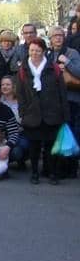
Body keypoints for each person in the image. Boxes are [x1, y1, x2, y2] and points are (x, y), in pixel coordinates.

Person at [17, 37, 69, 185]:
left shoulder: (54, 68)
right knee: (34, 146)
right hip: (32, 115)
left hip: (52, 114)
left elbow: (62, 93)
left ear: (44, 51)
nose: (34, 53)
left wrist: (65, 115)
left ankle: (52, 172)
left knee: (51, 147)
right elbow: (20, 94)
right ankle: (34, 173)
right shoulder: (23, 70)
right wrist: (23, 112)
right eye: (32, 50)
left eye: (38, 50)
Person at [47, 25, 80, 177]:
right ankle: (57, 167)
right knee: (57, 134)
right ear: (50, 39)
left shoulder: (71, 53)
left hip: (71, 99)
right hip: (54, 101)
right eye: (55, 36)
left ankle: (71, 168)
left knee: (71, 133)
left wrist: (66, 62)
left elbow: (79, 71)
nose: (58, 38)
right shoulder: (47, 54)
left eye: (60, 35)